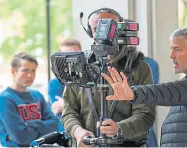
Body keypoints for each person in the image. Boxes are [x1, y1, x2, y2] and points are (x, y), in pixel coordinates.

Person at [102, 26, 187, 147]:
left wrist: (134, 93)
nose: (171, 56)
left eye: (177, 49)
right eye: (171, 49)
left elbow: (173, 91)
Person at [61, 8, 155, 147]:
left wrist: (119, 128)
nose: (102, 34)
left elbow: (145, 115)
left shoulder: (139, 67)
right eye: (95, 29)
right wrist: (78, 132)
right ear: (89, 32)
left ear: (121, 30)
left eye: (109, 28)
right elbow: (69, 112)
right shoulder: (78, 66)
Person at [0, 53, 59, 147]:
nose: (30, 75)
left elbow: (54, 124)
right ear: (13, 72)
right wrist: (43, 128)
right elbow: (22, 137)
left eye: (33, 71)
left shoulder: (37, 95)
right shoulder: (4, 99)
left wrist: (30, 125)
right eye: (25, 71)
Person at [48, 38, 81, 132]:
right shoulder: (54, 84)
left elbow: (65, 106)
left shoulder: (90, 80)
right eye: (66, 55)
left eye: (74, 54)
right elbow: (59, 109)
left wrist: (66, 104)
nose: (70, 59)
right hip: (66, 132)